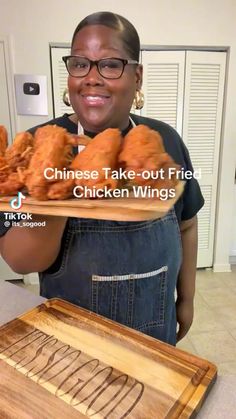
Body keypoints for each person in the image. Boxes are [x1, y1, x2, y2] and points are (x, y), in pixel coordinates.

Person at [0, 11, 204, 346]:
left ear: (137, 76)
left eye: (110, 64)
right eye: (80, 63)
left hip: (154, 332)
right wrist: (58, 191)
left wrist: (187, 299)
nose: (91, 77)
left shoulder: (164, 141)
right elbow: (20, 260)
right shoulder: (39, 147)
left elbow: (187, 224)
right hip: (70, 340)